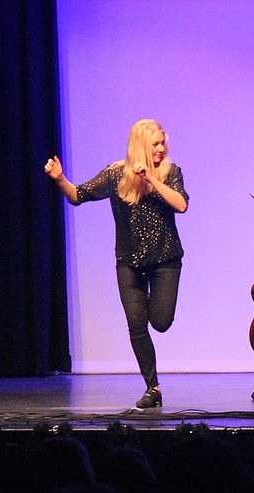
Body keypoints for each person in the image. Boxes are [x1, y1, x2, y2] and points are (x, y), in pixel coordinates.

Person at [44, 119, 189, 410]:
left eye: (163, 143)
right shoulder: (115, 175)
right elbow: (77, 196)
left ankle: (150, 303)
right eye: (155, 144)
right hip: (129, 263)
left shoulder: (171, 173)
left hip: (165, 260)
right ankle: (153, 388)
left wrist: (152, 179)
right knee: (136, 325)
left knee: (160, 322)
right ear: (140, 146)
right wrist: (60, 179)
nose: (161, 149)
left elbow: (181, 205)